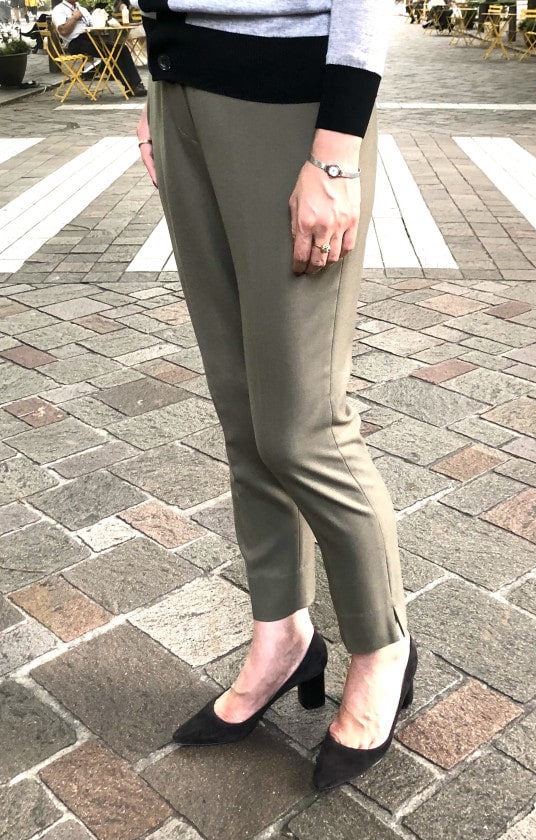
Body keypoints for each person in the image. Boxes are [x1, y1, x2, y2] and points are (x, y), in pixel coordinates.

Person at [136, 0, 415, 792]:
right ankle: (281, 633)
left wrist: (337, 150)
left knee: (302, 426)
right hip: (180, 90)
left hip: (293, 105)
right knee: (243, 411)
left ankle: (383, 644)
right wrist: (158, 79)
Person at [51, 0, 146, 96]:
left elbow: (94, 26)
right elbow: (63, 31)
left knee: (122, 48)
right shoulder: (59, 9)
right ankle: (131, 86)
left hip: (91, 37)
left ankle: (136, 84)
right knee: (113, 52)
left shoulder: (82, 9)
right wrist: (74, 18)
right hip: (75, 42)